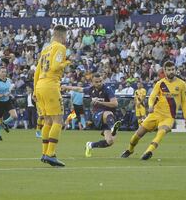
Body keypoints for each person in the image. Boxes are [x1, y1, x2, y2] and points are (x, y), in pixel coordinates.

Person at [121, 61, 186, 160]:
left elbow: (184, 102)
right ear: (165, 71)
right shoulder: (160, 83)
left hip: (169, 116)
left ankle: (149, 151)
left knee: (162, 132)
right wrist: (150, 106)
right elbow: (152, 96)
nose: (171, 72)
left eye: (173, 69)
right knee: (137, 135)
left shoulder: (182, 84)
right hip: (155, 114)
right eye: (169, 70)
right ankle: (130, 149)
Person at [33, 24, 71, 167]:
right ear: (62, 35)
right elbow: (55, 67)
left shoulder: (45, 49)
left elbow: (36, 72)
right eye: (66, 36)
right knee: (58, 121)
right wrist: (66, 62)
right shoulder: (60, 47)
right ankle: (51, 154)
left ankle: (45, 153)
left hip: (40, 86)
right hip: (51, 85)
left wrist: (34, 90)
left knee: (47, 121)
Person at [61, 73, 122, 157]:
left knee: (109, 142)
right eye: (96, 82)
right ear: (92, 82)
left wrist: (100, 102)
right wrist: (66, 87)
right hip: (97, 115)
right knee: (108, 113)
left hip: (108, 119)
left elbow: (115, 104)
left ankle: (90, 145)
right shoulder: (91, 89)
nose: (99, 83)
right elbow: (78, 89)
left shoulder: (107, 89)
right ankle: (113, 128)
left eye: (100, 81)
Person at [0, 66, 18, 141]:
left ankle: (4, 123)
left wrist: (10, 94)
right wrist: (3, 95)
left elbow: (9, 90)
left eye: (5, 72)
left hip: (7, 101)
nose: (4, 73)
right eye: (2, 72)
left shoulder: (9, 80)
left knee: (14, 115)